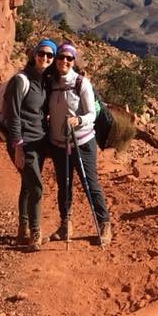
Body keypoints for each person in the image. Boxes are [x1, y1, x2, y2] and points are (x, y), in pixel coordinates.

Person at [46, 42, 112, 245]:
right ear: (56, 60)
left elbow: (92, 113)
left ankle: (104, 224)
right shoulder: (51, 83)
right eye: (61, 57)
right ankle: (66, 225)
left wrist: (79, 120)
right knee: (63, 186)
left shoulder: (81, 83)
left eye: (69, 58)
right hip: (59, 144)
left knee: (89, 184)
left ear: (73, 61)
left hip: (82, 142)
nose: (64, 61)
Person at [7, 38, 57, 251]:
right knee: (36, 187)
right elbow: (13, 115)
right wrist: (17, 146)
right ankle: (35, 234)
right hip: (23, 143)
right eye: (41, 53)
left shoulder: (45, 81)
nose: (44, 58)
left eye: (49, 55)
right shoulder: (21, 80)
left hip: (40, 142)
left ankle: (22, 231)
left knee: (27, 186)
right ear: (34, 54)